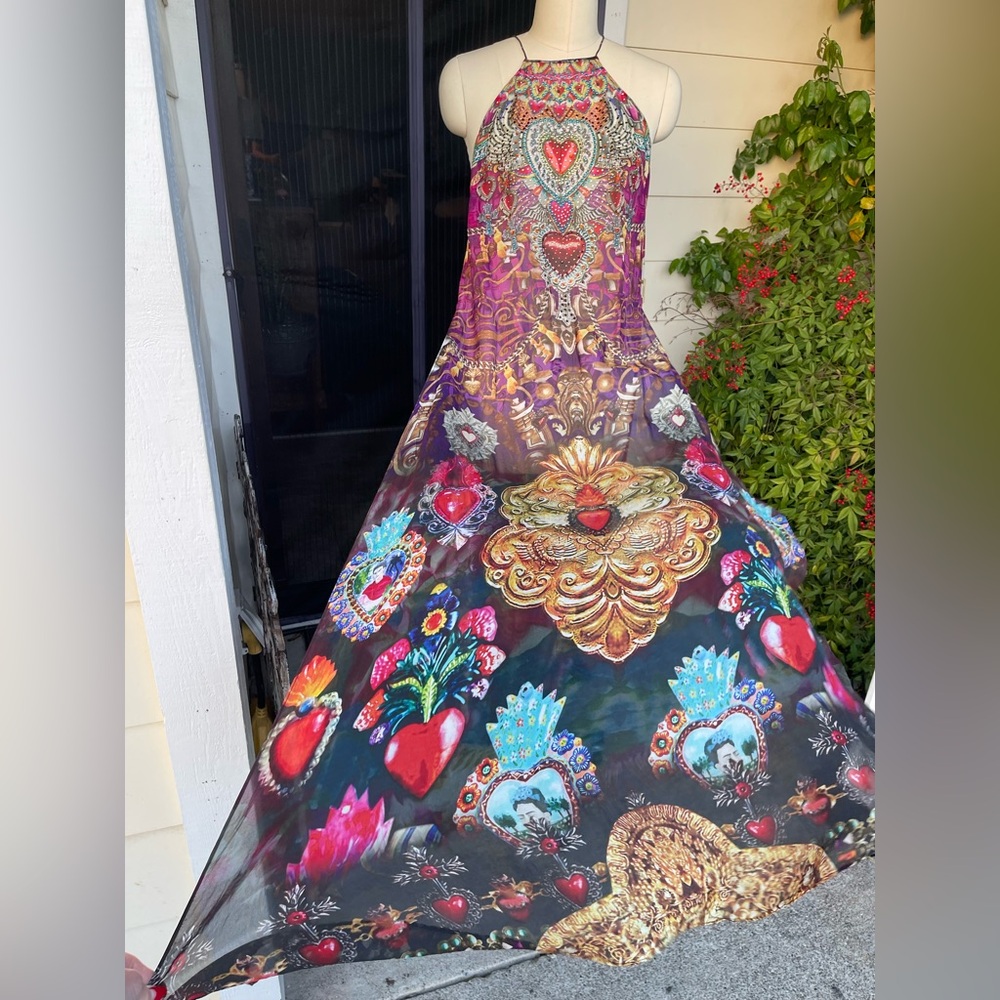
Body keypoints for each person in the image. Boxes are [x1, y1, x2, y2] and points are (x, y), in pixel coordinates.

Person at [145, 2, 874, 995]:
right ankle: (472, 851)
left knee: (704, 602)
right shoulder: (469, 78)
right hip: (491, 417)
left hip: (622, 411)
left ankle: (645, 827)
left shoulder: (652, 88)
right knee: (420, 628)